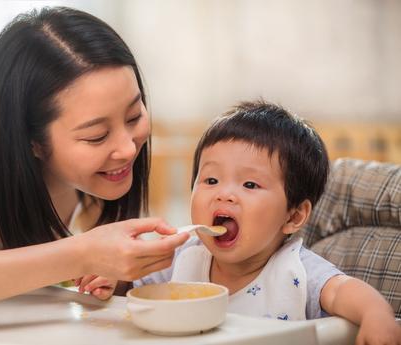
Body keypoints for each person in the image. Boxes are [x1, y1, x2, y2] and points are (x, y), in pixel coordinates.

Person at [0, 7, 190, 317]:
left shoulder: (86, 183)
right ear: (31, 141)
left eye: (134, 116)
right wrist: (81, 254)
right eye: (96, 136)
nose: (126, 149)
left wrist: (109, 275)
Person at [84, 101, 401, 344]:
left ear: (293, 216)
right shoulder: (184, 258)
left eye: (250, 185)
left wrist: (376, 314)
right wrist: (113, 281)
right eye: (210, 179)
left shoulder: (296, 271)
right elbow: (135, 290)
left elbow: (346, 291)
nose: (224, 195)